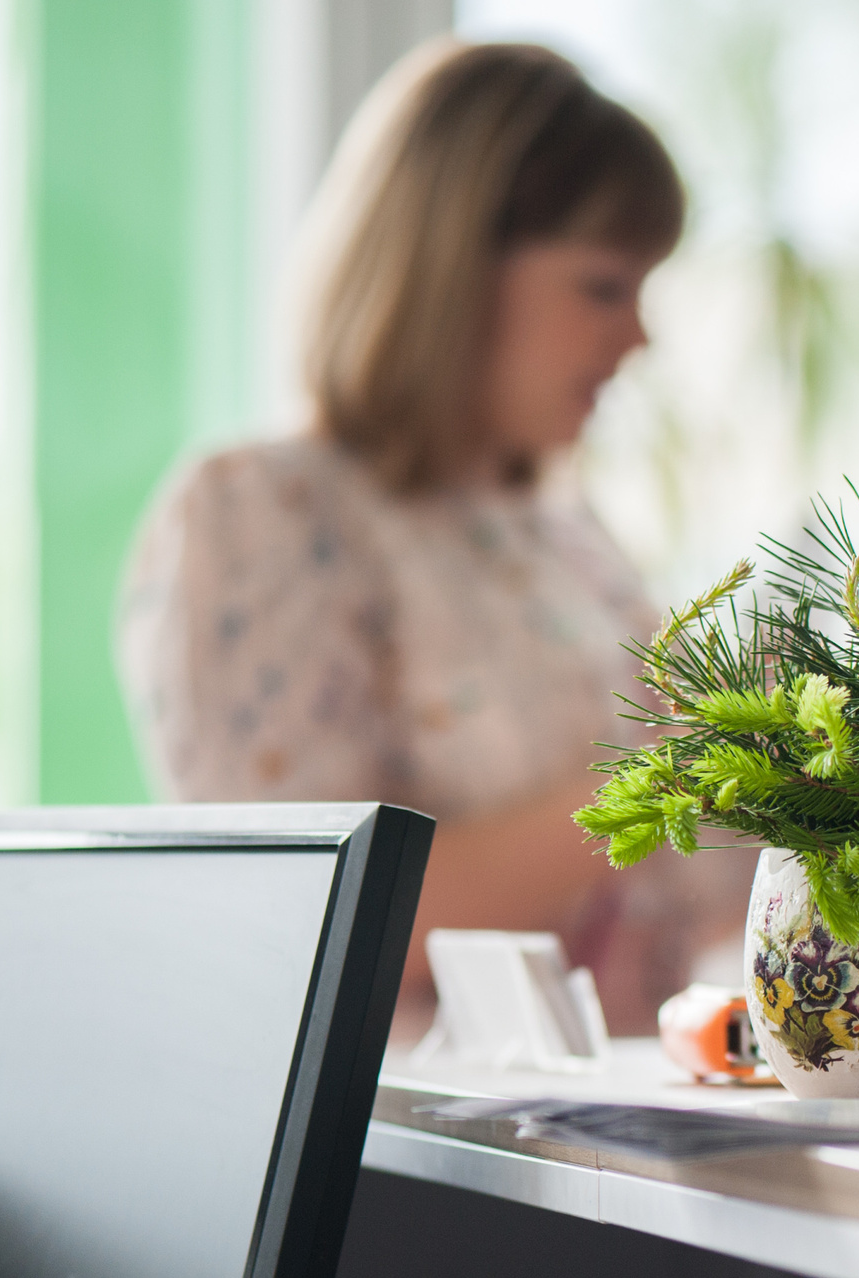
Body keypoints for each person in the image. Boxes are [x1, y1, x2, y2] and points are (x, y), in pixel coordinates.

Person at [117, 41, 738, 1039]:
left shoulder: (570, 538)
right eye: (602, 286)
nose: (638, 339)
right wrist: (672, 767)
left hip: (620, 1142)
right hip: (409, 1161)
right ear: (453, 267)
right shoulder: (264, 514)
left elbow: (696, 894)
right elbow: (327, 919)